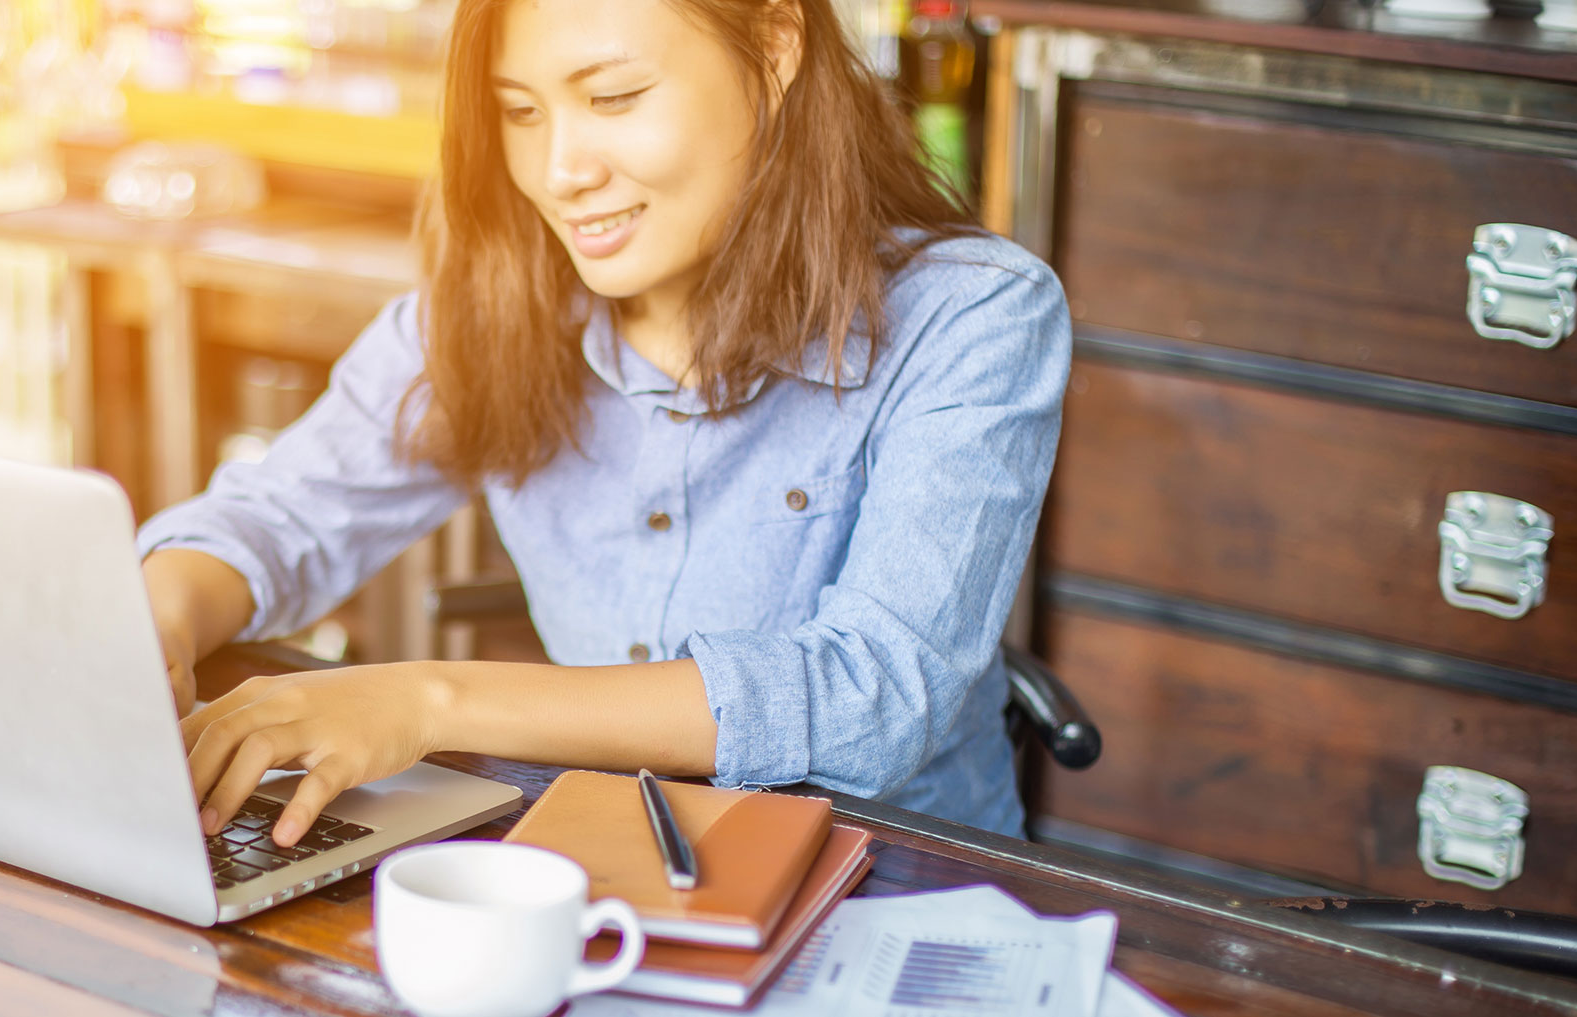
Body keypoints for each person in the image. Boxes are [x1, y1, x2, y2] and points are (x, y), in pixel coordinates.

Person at [137, 0, 1071, 851]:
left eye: (615, 97)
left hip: (900, 881)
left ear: (776, 48)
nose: (561, 173)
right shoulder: (490, 307)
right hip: (617, 857)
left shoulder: (973, 315)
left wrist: (428, 698)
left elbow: (874, 695)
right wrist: (160, 618)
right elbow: (281, 514)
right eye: (521, 113)